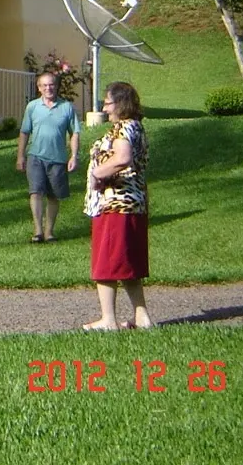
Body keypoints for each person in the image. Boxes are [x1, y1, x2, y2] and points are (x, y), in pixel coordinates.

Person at [82, 81, 153, 331]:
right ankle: (141, 317)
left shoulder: (123, 128)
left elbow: (122, 158)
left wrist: (97, 174)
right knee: (129, 264)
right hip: (133, 205)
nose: (104, 107)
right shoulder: (137, 127)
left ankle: (108, 320)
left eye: (108, 102)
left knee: (107, 264)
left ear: (121, 104)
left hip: (115, 205)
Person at [16, 71, 80, 243]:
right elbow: (24, 132)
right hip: (35, 157)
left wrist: (74, 156)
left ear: (56, 86)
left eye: (51, 84)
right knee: (35, 192)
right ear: (39, 88)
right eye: (44, 85)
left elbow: (74, 134)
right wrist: (20, 156)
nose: (48, 88)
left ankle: (49, 231)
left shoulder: (66, 107)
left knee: (53, 196)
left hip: (58, 159)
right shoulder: (32, 107)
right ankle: (37, 231)